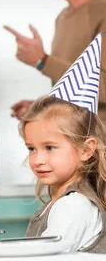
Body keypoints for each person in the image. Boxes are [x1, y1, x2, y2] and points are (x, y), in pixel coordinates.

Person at [20, 36, 106, 252]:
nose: (38, 160)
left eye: (50, 147)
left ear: (86, 149)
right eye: (32, 148)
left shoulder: (74, 205)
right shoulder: (59, 202)